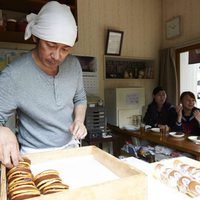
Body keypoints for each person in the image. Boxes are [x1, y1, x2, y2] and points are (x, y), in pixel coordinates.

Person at [0, 1, 87, 169]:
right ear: (36, 38)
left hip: (71, 148)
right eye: (51, 45)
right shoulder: (14, 75)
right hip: (34, 155)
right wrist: (3, 131)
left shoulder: (74, 65)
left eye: (65, 49)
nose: (57, 56)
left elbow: (80, 97)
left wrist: (79, 120)